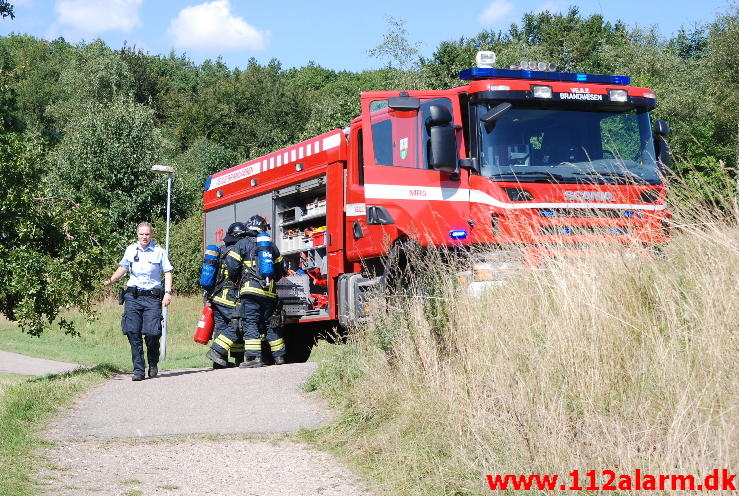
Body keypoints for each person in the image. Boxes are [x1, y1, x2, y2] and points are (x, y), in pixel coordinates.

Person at [103, 222, 173, 381]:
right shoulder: (131, 250)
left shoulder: (159, 251)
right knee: (132, 332)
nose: (144, 237)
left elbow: (168, 272)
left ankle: (153, 362)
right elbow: (123, 268)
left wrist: (167, 293)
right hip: (133, 297)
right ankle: (139, 369)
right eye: (141, 234)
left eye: (147, 234)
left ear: (151, 234)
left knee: (152, 333)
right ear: (137, 235)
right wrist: (111, 280)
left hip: (152, 298)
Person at [225, 215, 286, 368]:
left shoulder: (242, 243)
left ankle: (253, 358)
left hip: (250, 292)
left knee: (250, 322)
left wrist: (236, 278)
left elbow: (231, 266)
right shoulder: (271, 246)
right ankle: (280, 357)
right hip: (269, 293)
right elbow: (280, 270)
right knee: (269, 324)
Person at [205, 222, 248, 368]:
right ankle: (219, 352)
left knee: (222, 327)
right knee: (239, 326)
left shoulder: (221, 250)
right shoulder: (239, 251)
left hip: (216, 296)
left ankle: (219, 362)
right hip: (230, 298)